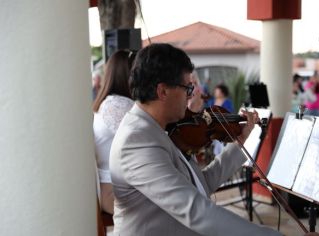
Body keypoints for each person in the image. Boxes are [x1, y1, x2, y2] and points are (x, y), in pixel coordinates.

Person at [109, 43, 277, 236]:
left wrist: (239, 143)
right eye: (187, 88)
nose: (190, 98)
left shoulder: (161, 129)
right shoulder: (137, 140)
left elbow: (200, 185)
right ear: (162, 91)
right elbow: (196, 211)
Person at [93, 50, 135, 214]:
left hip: (113, 188)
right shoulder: (118, 105)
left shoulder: (110, 102)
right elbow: (149, 141)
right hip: (114, 192)